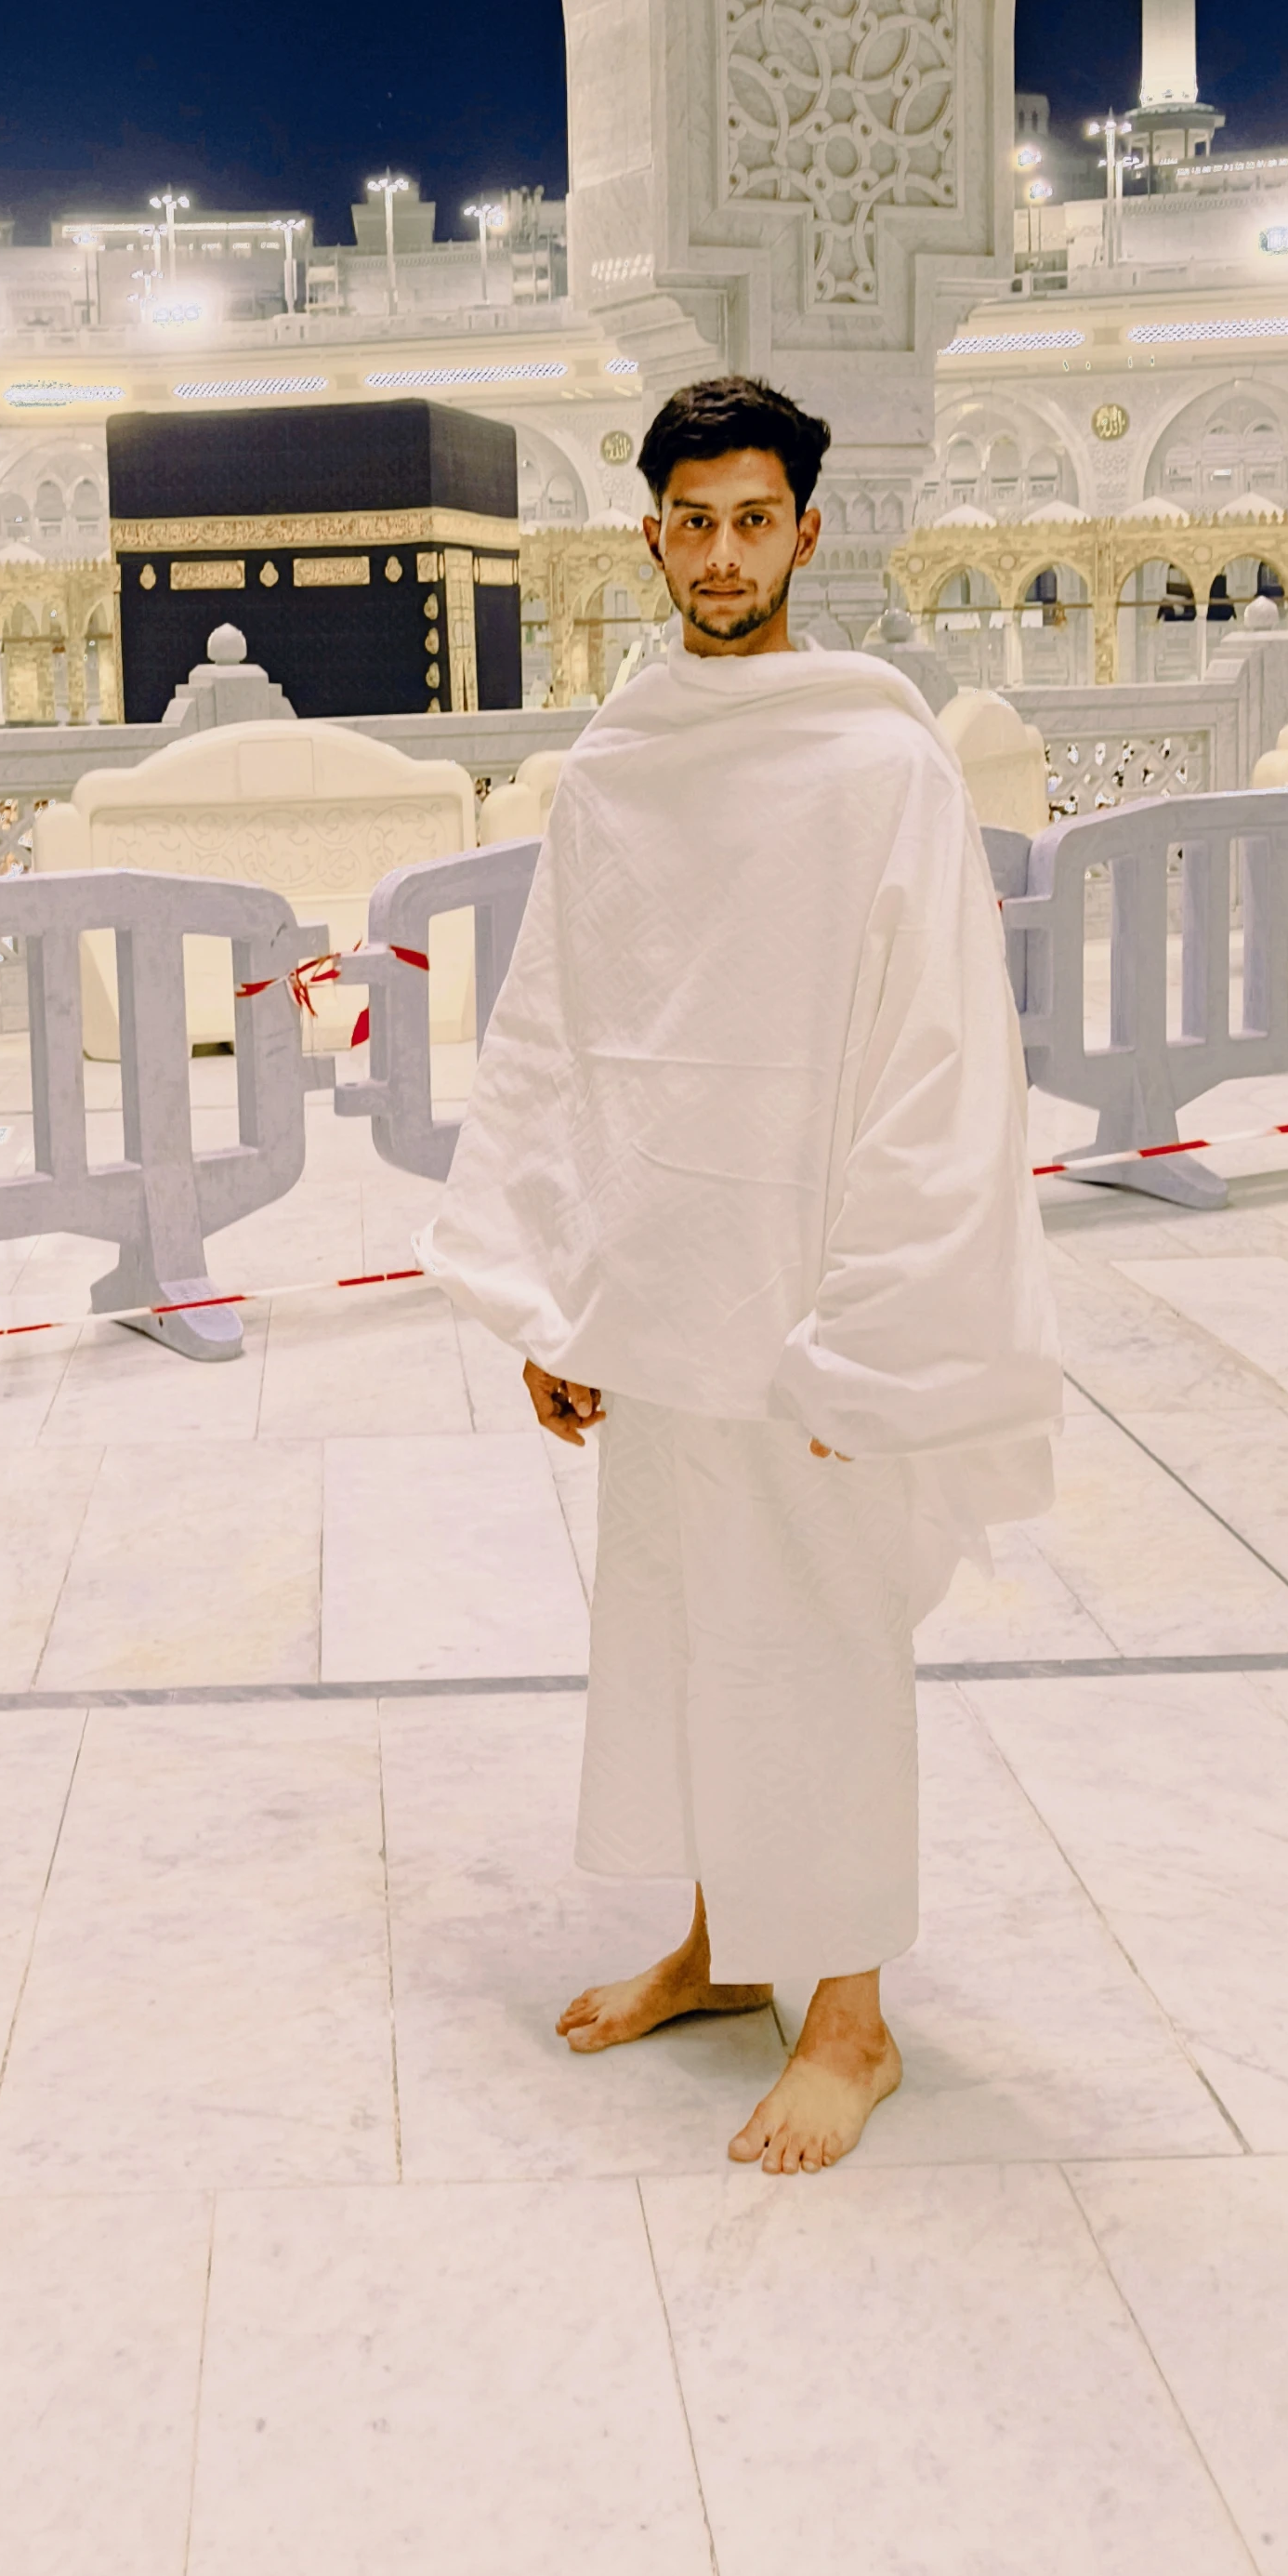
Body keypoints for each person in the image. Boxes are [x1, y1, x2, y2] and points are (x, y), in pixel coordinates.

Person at [423, 375, 1059, 2174]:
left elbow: (942, 1051)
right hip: (661, 1284)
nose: (720, 555)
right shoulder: (620, 761)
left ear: (806, 532)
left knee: (818, 1642)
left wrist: (890, 1325)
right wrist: (556, 1291)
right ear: (651, 537)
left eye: (752, 520)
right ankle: (723, 1946)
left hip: (811, 1292)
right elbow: (566, 1030)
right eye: (691, 522)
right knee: (689, 1623)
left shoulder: (880, 764)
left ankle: (851, 2017)